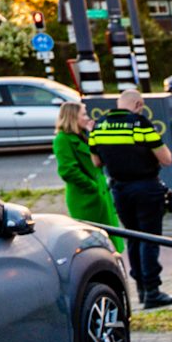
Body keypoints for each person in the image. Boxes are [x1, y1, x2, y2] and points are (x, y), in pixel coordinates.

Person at [89, 88, 172, 308]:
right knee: (149, 238)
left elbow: (96, 162)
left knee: (134, 238)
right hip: (146, 187)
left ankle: (140, 290)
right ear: (138, 105)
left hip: (120, 189)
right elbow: (166, 159)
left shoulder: (100, 126)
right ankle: (153, 291)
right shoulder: (139, 124)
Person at [53, 101, 120, 249]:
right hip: (86, 199)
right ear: (72, 117)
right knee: (94, 242)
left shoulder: (83, 135)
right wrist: (92, 187)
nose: (87, 117)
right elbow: (68, 171)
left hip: (101, 195)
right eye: (83, 114)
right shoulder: (63, 139)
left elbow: (100, 158)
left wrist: (94, 134)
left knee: (109, 241)